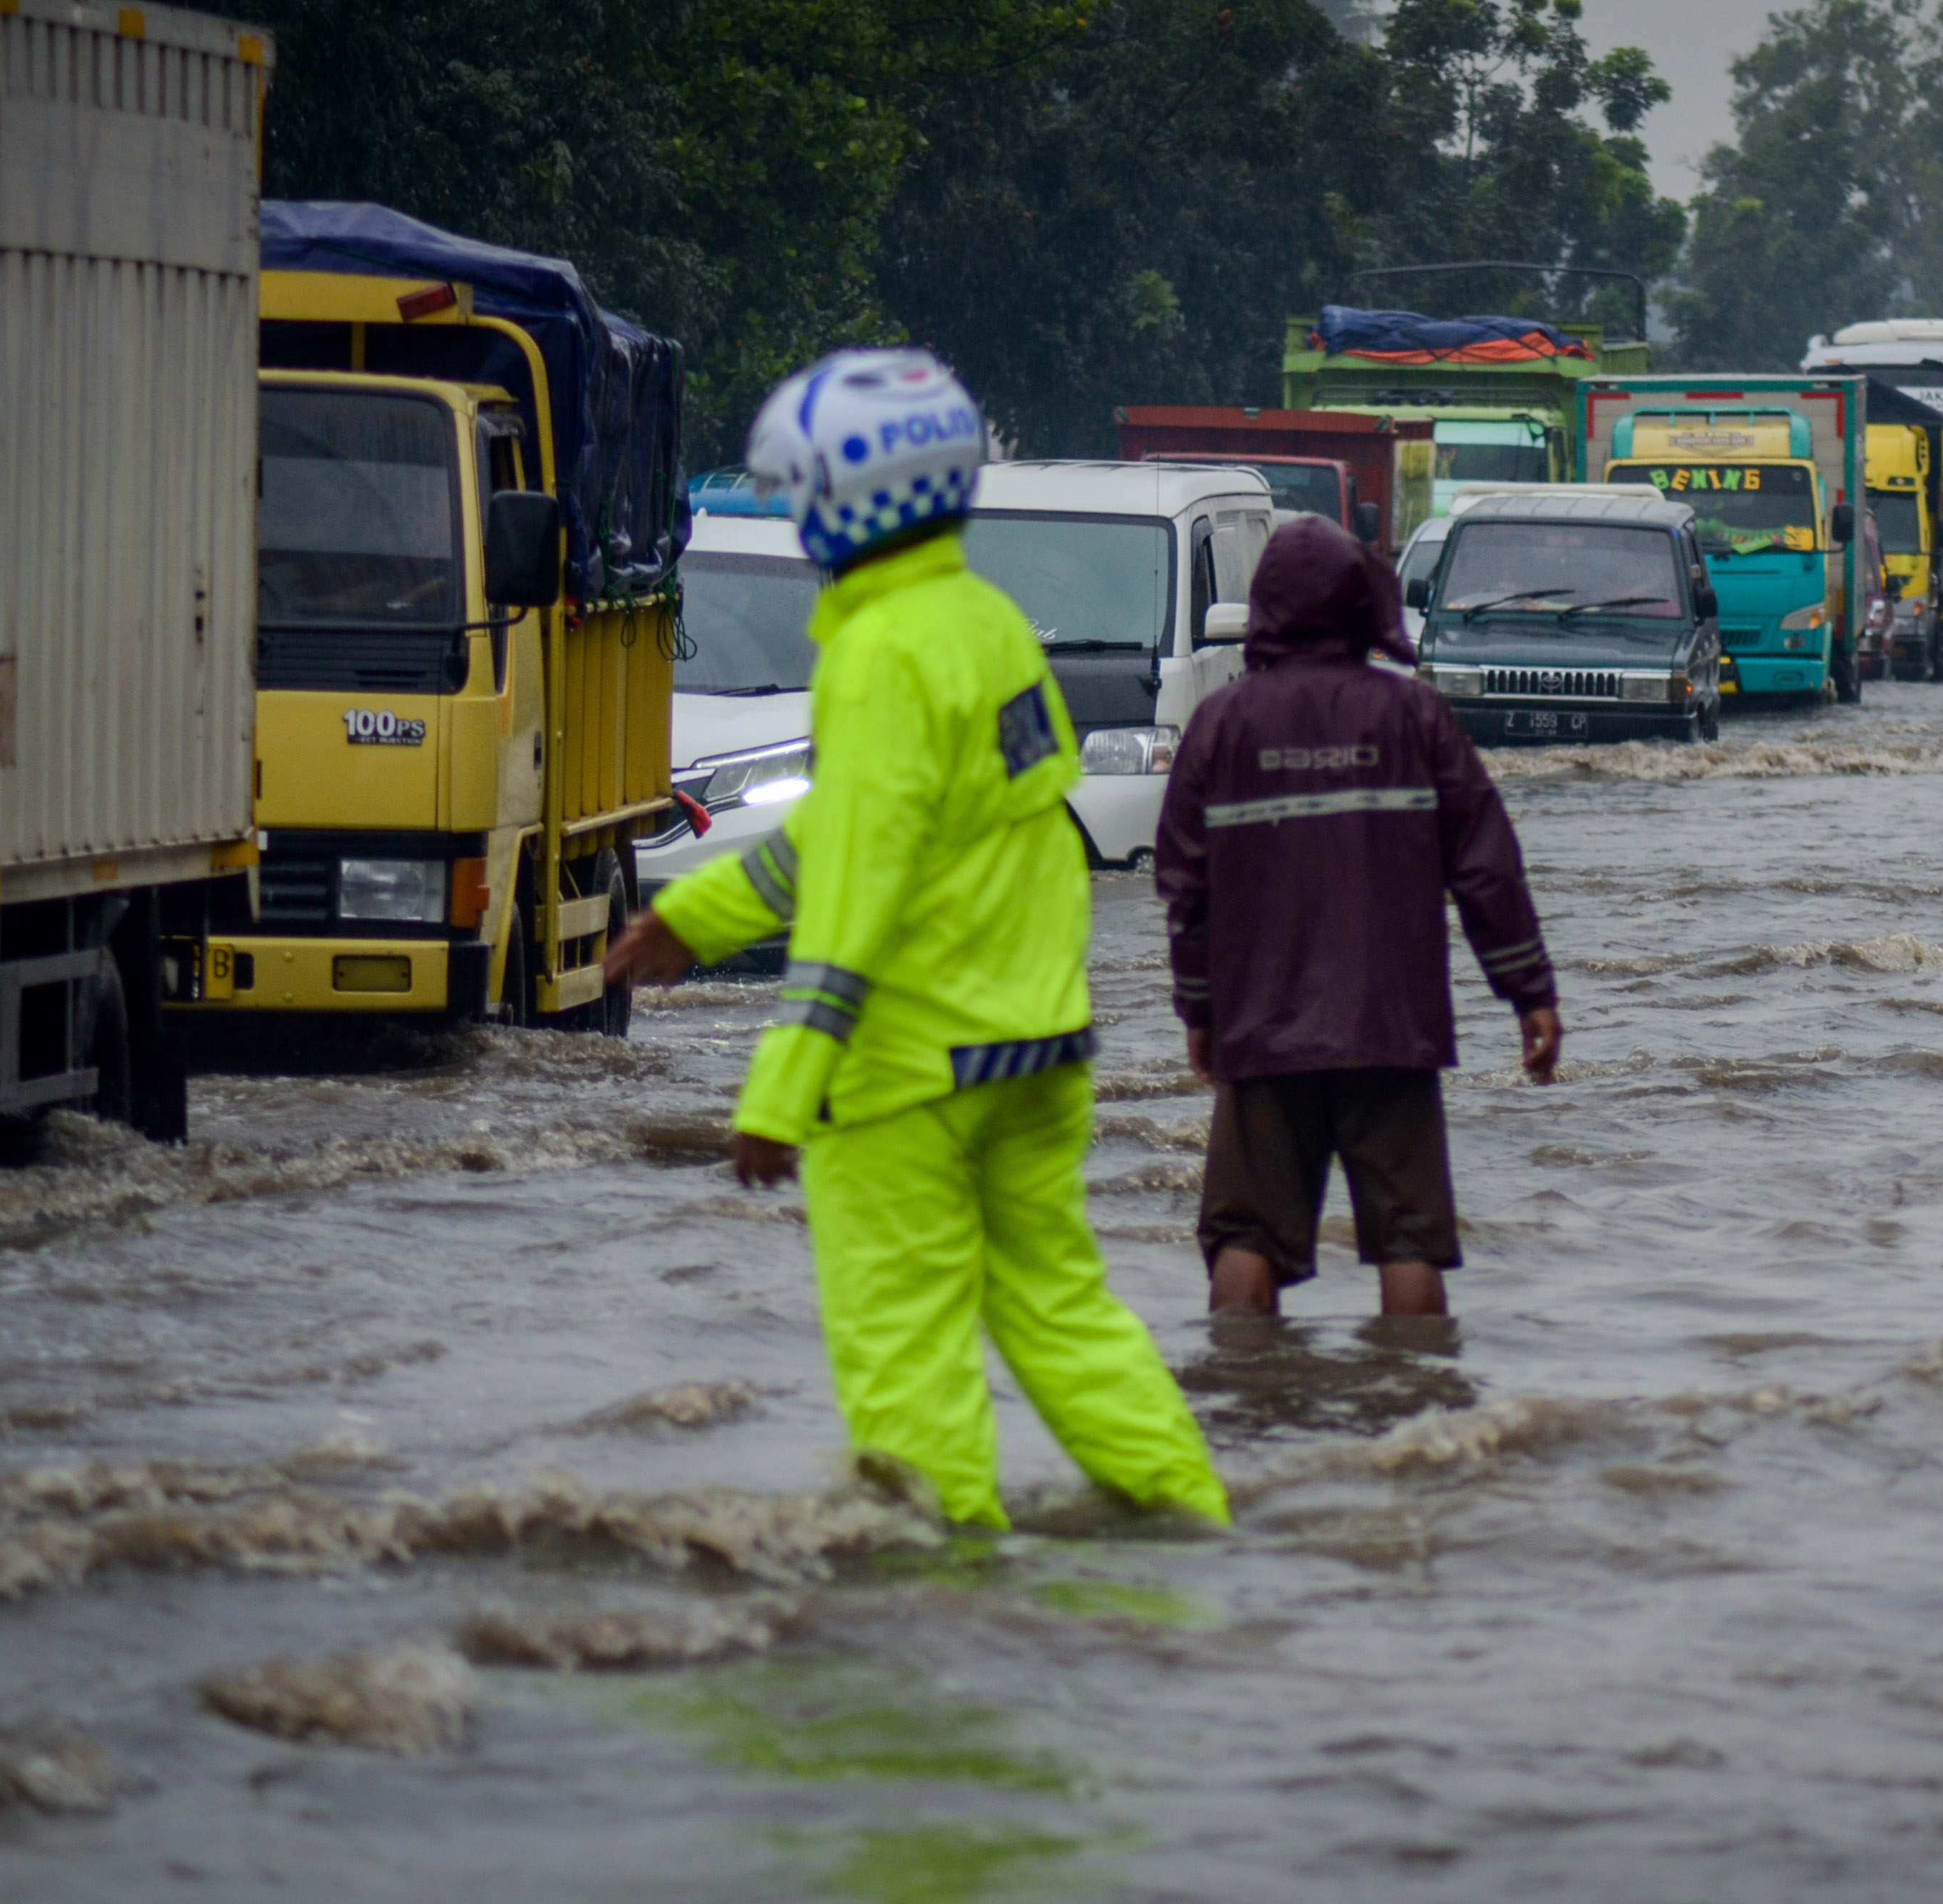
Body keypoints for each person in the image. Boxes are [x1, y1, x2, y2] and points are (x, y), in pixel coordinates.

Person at [602, 348, 1227, 1530]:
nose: (794, 519)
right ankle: (1186, 1524)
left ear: (845, 503)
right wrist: (695, 917)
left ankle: (934, 1598)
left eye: (798, 496)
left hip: (909, 1072)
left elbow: (861, 875)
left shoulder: (879, 654)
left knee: (905, 1352)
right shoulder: (988, 624)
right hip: (1035, 1045)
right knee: (1061, 1310)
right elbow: (883, 828)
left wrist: (784, 1082)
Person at [1154, 515, 1562, 1320]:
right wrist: (1530, 993)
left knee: (1245, 1238)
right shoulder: (1416, 718)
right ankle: (1417, 1415)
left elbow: (1184, 889)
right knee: (1410, 1239)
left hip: (1262, 1029)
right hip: (1392, 1027)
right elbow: (1486, 866)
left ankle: (1245, 1413)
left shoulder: (1220, 727)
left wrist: (1200, 1012)